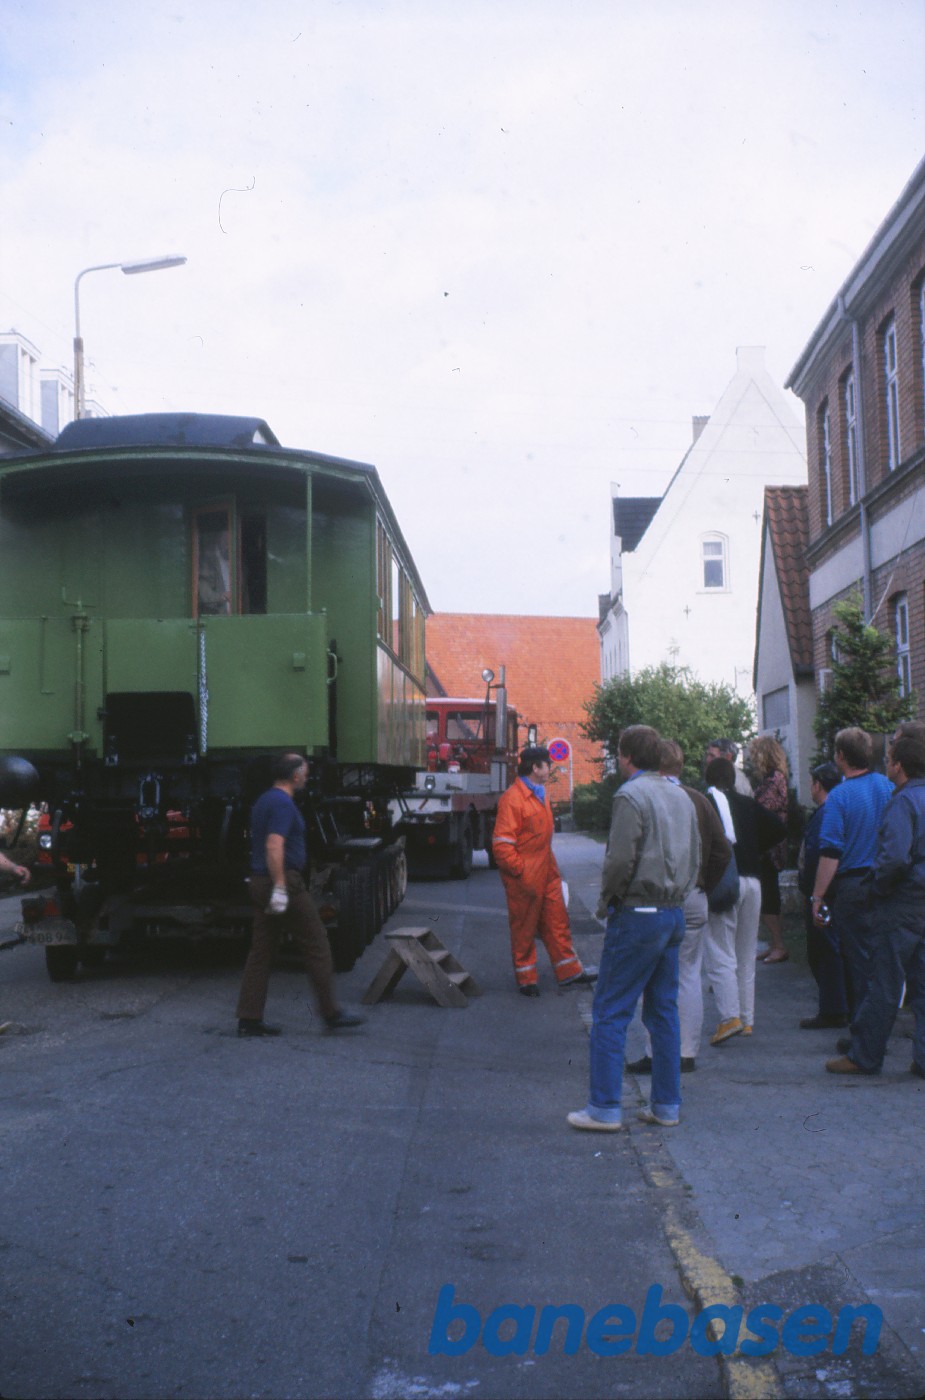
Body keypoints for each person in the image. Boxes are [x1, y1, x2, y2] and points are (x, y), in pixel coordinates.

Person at [567, 725, 700, 1132]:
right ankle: (666, 1105)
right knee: (663, 1011)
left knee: (610, 1010)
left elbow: (620, 860)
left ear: (626, 756)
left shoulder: (630, 795)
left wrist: (608, 900)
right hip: (673, 909)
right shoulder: (682, 795)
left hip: (638, 911)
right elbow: (695, 853)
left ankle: (605, 1108)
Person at [236, 753, 365, 1036]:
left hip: (259, 882)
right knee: (317, 944)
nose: (307, 777)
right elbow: (273, 846)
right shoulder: (283, 804)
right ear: (294, 776)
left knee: (261, 951)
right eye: (304, 772)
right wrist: (282, 886)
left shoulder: (263, 801)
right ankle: (331, 1013)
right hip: (282, 883)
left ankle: (249, 1019)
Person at [627, 739, 732, 1074]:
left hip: (656, 898)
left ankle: (655, 1052)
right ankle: (686, 1052)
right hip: (694, 897)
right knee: (688, 974)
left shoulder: (646, 797)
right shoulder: (699, 800)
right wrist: (705, 883)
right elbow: (722, 851)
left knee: (651, 976)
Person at [826, 738, 925, 1077]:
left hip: (901, 901)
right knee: (922, 984)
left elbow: (895, 857)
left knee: (883, 980)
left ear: (900, 765)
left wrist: (878, 886)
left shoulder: (904, 802)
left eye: (890, 758)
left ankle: (865, 1055)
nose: (887, 763)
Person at [492, 745, 596, 996]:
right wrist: (521, 871)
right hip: (525, 876)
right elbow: (502, 845)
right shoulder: (513, 799)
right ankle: (527, 979)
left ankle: (569, 971)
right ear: (535, 768)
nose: (550, 767)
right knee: (524, 927)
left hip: (546, 869)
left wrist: (547, 869)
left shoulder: (540, 794)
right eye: (547, 764)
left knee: (557, 920)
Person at [809, 727, 893, 1020]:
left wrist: (817, 897)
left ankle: (862, 1036)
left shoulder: (839, 797)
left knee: (857, 964)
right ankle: (878, 1028)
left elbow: (831, 852)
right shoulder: (887, 786)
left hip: (854, 885)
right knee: (881, 961)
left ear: (841, 756)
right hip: (886, 882)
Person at [701, 757, 786, 1043]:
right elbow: (779, 828)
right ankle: (747, 1019)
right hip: (754, 880)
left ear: (708, 779)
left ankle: (729, 1017)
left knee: (720, 948)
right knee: (746, 952)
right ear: (733, 778)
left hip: (726, 881)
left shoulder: (707, 802)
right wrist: (754, 847)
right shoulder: (748, 804)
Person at [797, 761, 848, 1029]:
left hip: (823, 893)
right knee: (827, 948)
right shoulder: (832, 810)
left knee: (824, 949)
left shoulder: (826, 814)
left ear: (817, 784)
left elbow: (820, 853)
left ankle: (833, 1008)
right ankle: (836, 1005)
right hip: (828, 891)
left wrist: (815, 891)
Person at [748, 736, 791, 964]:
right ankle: (775, 944)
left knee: (769, 895)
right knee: (768, 894)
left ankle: (779, 945)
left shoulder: (774, 780)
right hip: (769, 845)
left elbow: (762, 809)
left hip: (770, 848)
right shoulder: (772, 778)